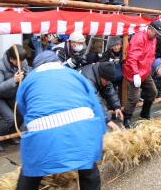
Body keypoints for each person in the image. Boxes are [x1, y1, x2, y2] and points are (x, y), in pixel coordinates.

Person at [15, 51, 105, 190]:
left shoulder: (29, 79)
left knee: (31, 172)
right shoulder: (74, 74)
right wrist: (100, 132)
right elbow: (95, 104)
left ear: (37, 66)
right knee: (88, 167)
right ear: (57, 62)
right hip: (82, 130)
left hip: (43, 133)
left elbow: (23, 107)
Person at [0, 45, 31, 152]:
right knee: (10, 118)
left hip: (10, 94)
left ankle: (12, 134)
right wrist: (14, 80)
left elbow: (27, 73)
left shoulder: (22, 62)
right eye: (19, 61)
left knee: (22, 112)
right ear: (11, 59)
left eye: (23, 61)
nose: (22, 63)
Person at [122, 21, 161, 128]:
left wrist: (151, 68)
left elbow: (150, 56)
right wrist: (136, 74)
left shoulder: (153, 39)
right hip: (134, 72)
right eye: (156, 33)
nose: (157, 36)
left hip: (145, 71)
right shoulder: (139, 38)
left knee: (153, 92)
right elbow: (132, 57)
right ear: (149, 29)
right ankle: (126, 117)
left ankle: (144, 113)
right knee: (134, 97)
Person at [80, 62, 124, 130]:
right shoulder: (88, 80)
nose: (107, 82)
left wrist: (117, 107)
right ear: (100, 75)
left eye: (109, 81)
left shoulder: (103, 74)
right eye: (106, 80)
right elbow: (95, 100)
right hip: (73, 97)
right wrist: (107, 120)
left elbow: (109, 90)